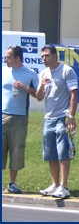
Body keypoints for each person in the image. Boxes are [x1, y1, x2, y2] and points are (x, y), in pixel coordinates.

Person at [36, 44, 78, 199]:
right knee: (50, 154)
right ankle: (54, 185)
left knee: (63, 153)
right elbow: (39, 97)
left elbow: (73, 94)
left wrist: (71, 116)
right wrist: (41, 84)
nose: (44, 59)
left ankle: (64, 186)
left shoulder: (67, 71)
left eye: (47, 56)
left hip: (62, 118)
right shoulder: (43, 74)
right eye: (42, 57)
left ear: (55, 55)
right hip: (48, 118)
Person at [2, 45, 39, 194]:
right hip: (2, 115)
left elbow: (38, 94)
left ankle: (12, 183)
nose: (6, 59)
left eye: (9, 57)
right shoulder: (3, 71)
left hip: (20, 118)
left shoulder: (30, 74)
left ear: (17, 58)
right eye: (6, 57)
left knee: (17, 150)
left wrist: (25, 88)